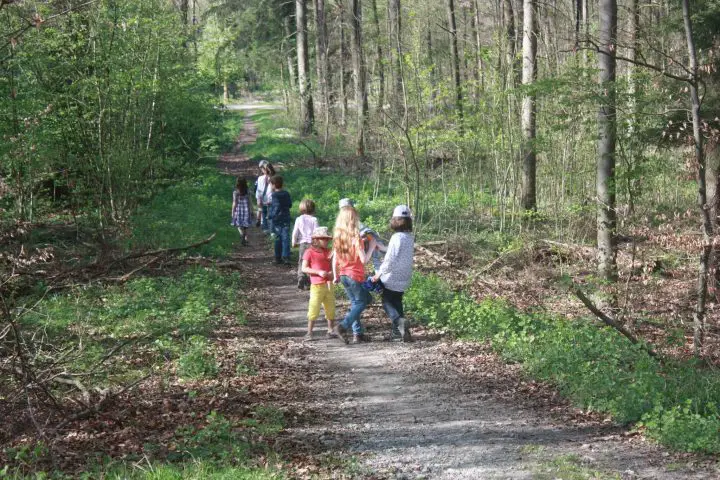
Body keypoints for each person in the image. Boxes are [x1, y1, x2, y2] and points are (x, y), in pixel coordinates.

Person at [331, 205, 377, 344]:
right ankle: (342, 326)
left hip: (344, 275)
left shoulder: (338, 238)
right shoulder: (356, 238)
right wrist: (372, 246)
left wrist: (335, 275)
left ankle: (358, 334)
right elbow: (364, 260)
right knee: (362, 302)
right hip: (354, 277)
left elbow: (334, 259)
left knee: (357, 303)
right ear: (353, 220)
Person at [371, 205, 415, 342]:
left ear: (395, 220)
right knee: (397, 302)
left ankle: (399, 322)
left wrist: (378, 274)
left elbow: (390, 259)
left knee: (387, 301)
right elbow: (395, 251)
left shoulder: (396, 237)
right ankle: (400, 333)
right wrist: (382, 247)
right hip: (405, 275)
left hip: (392, 276)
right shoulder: (409, 237)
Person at [301, 227, 337, 341]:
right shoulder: (309, 252)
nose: (327, 241)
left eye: (328, 239)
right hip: (316, 286)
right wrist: (318, 272)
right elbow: (304, 268)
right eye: (324, 239)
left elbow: (334, 266)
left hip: (329, 284)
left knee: (330, 308)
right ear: (316, 240)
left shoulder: (330, 251)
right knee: (314, 308)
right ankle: (309, 332)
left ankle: (330, 330)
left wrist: (333, 273)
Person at [338, 198, 386, 270]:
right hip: (352, 263)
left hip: (354, 264)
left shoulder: (356, 224)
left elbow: (370, 237)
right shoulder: (340, 228)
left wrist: (365, 239)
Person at [292, 199, 319, 290]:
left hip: (303, 244)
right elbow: (317, 232)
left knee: (301, 261)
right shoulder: (314, 219)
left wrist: (294, 241)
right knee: (311, 263)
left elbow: (295, 232)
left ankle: (301, 277)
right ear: (313, 209)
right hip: (312, 244)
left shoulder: (299, 219)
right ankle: (308, 282)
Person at [268, 175, 292, 264]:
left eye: (271, 184)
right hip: (286, 218)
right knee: (286, 238)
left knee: (278, 237)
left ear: (274, 185)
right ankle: (286, 256)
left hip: (277, 219)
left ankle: (278, 257)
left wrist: (271, 215)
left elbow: (276, 206)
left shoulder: (274, 195)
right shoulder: (286, 193)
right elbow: (290, 204)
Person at [230, 177, 253, 246]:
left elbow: (234, 203)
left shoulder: (235, 192)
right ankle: (245, 238)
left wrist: (232, 212)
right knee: (246, 226)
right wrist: (252, 210)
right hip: (246, 210)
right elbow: (250, 202)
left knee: (238, 225)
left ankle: (242, 235)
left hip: (238, 210)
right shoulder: (248, 191)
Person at [255, 160, 275, 233]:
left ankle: (266, 229)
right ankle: (271, 231)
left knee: (264, 214)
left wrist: (258, 199)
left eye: (261, 168)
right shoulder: (274, 177)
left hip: (264, 199)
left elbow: (258, 190)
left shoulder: (260, 178)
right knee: (271, 215)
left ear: (264, 169)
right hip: (271, 199)